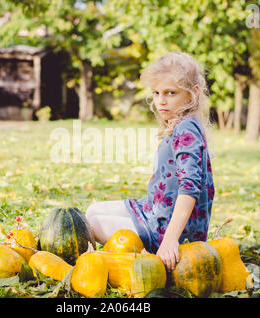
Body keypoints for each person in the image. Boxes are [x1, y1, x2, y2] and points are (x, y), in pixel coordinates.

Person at [85, 52, 215, 271]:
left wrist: (170, 240)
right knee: (91, 212)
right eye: (156, 93)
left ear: (192, 94)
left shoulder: (186, 129)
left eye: (170, 93)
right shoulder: (180, 123)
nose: (161, 100)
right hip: (154, 210)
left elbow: (189, 188)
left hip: (168, 230)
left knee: (94, 224)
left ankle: (153, 256)